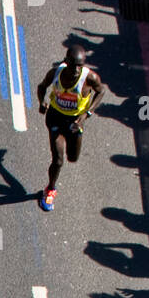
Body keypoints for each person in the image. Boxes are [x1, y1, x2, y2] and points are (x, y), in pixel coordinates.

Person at [35, 44, 106, 212]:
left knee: (72, 158)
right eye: (73, 64)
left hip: (75, 122)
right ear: (66, 61)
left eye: (80, 65)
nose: (76, 69)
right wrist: (42, 102)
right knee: (58, 160)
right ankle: (50, 189)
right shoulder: (56, 73)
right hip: (55, 118)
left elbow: (101, 91)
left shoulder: (90, 78)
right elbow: (41, 86)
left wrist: (87, 113)